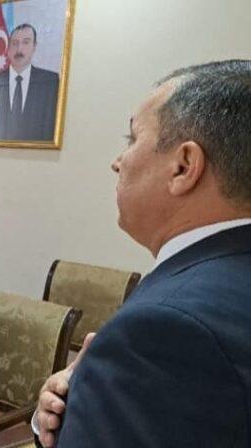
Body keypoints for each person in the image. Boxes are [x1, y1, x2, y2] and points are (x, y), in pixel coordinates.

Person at [34, 60, 251, 447]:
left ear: (184, 166)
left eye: (132, 138)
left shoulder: (163, 332)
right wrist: (83, 402)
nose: (117, 162)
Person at [0, 23, 60, 141]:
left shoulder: (50, 82)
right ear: (8, 48)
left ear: (34, 47)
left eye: (26, 42)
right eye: (14, 43)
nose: (19, 49)